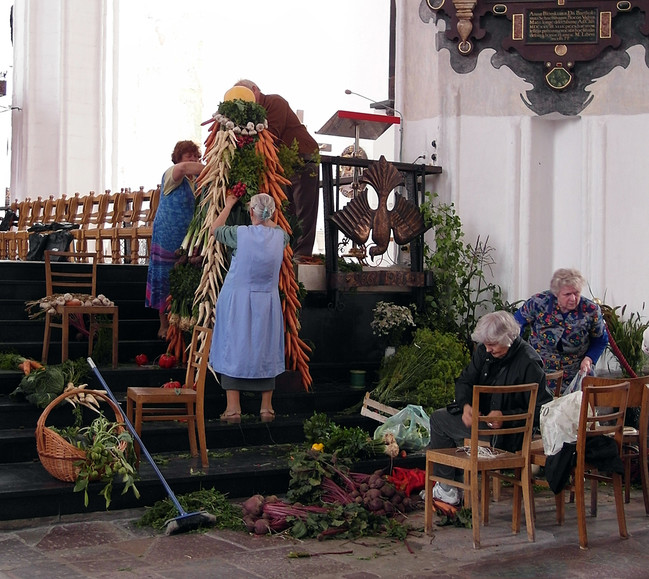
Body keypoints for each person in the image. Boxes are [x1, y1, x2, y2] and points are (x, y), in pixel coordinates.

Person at [428, 310, 553, 505]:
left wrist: (505, 416)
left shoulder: (529, 362)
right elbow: (465, 380)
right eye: (485, 344)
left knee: (438, 421)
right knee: (440, 417)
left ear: (509, 338)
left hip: (510, 435)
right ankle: (451, 487)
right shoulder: (484, 352)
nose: (488, 349)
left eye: (493, 345)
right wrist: (466, 405)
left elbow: (543, 411)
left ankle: (448, 488)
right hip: (484, 421)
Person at [209, 192, 289, 423]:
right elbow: (273, 227)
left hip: (238, 300)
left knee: (234, 347)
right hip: (267, 302)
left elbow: (214, 229)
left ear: (251, 212)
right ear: (272, 213)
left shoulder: (239, 234)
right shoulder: (281, 237)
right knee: (265, 349)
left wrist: (228, 205)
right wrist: (266, 215)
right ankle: (266, 408)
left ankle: (233, 408)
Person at [234, 79, 319, 259]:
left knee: (303, 211)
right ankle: (287, 255)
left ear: (255, 90)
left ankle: (301, 256)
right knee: (285, 210)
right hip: (282, 166)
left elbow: (271, 136)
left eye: (246, 96)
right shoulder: (253, 114)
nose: (245, 102)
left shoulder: (274, 102)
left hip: (302, 160)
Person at [146, 140, 204, 339]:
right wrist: (215, 167)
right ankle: (163, 325)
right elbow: (185, 168)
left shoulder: (194, 182)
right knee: (164, 278)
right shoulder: (172, 174)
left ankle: (180, 324)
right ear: (178, 158)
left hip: (186, 239)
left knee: (183, 279)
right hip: (167, 236)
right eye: (190, 157)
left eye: (197, 157)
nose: (194, 161)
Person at [514, 268, 608, 388]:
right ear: (556, 293)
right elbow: (515, 326)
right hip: (539, 370)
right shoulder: (538, 303)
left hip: (575, 371)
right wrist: (519, 355)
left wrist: (589, 359)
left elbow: (600, 340)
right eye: (567, 294)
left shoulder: (590, 310)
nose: (573, 298)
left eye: (576, 293)